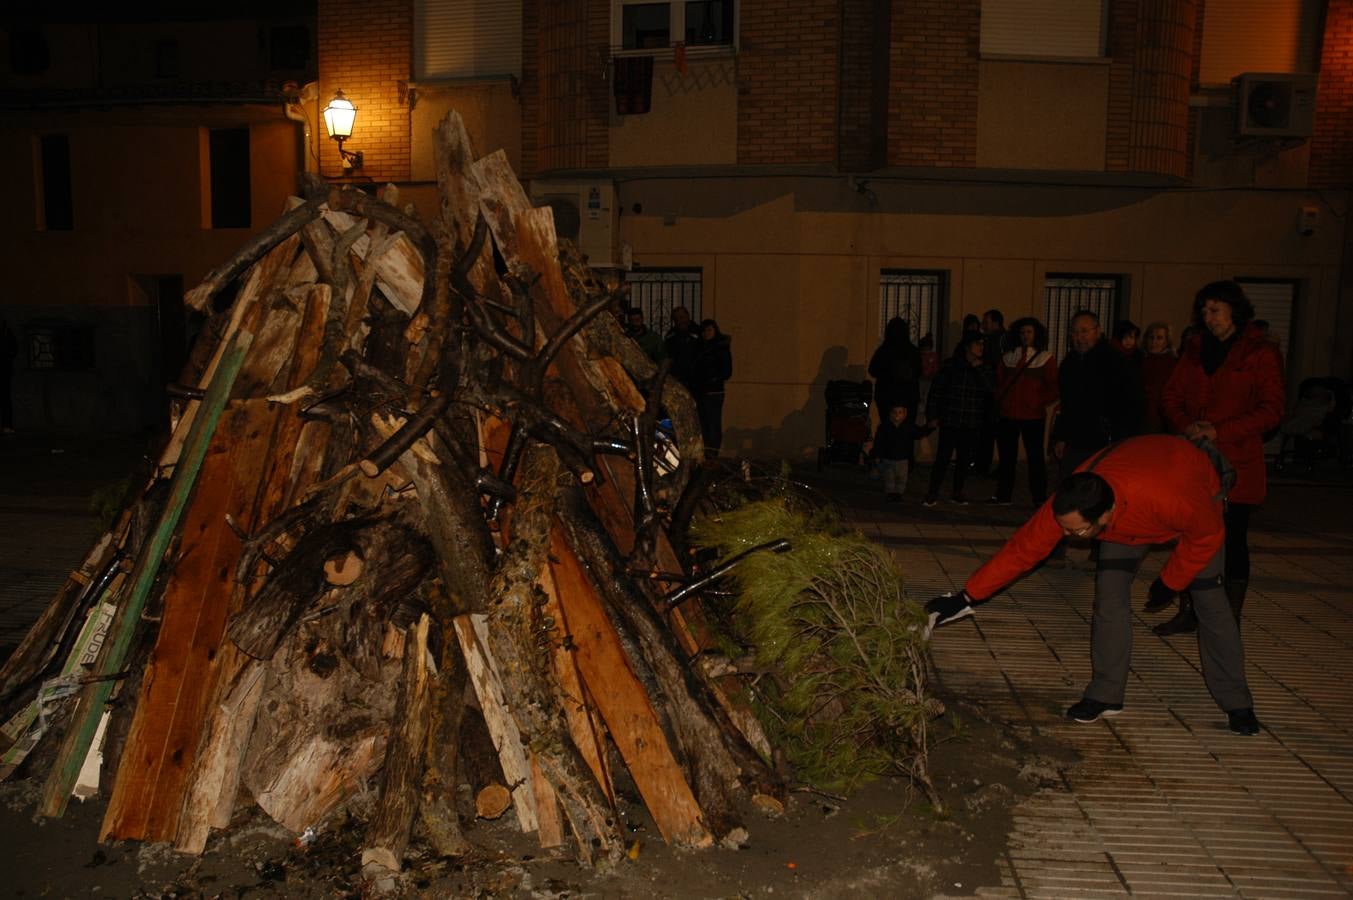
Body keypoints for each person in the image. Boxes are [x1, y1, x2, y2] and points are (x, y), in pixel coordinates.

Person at [924, 434, 1261, 736]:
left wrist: (1171, 580)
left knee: (1210, 603)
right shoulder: (1074, 501)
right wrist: (967, 596)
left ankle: (1237, 702)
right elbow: (1023, 549)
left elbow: (1206, 535)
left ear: (1105, 514)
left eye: (1076, 532)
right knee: (1109, 599)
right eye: (1065, 529)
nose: (1067, 536)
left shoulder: (1173, 499)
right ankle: (1106, 694)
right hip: (1130, 511)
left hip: (1189, 495)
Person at [1155, 281, 1285, 635]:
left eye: (1214, 310)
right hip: (1195, 459)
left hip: (1237, 462)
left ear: (1234, 310)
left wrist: (1219, 431)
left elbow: (1272, 410)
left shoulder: (1260, 353)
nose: (1208, 317)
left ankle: (1230, 618)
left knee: (1233, 540)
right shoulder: (1195, 349)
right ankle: (1189, 612)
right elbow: (1170, 396)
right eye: (1204, 311)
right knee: (1190, 535)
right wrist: (1187, 426)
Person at [991, 317, 1058, 506]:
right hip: (1009, 414)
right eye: (1022, 332)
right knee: (1007, 458)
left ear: (1036, 334)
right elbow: (999, 382)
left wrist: (1037, 401)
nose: (1025, 336)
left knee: (1035, 458)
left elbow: (1054, 388)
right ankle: (1004, 495)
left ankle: (1038, 496)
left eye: (1029, 332)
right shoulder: (1008, 357)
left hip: (1033, 416)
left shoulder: (1045, 358)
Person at [922, 333, 994, 507]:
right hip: (951, 419)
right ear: (967, 346)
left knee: (964, 459)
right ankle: (932, 492)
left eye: (982, 344)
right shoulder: (951, 366)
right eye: (977, 344)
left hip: (971, 421)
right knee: (943, 458)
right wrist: (932, 416)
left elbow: (990, 390)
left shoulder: (984, 368)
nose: (981, 348)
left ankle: (957, 492)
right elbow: (936, 392)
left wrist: (977, 369)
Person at [868, 404, 934, 502]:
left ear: (905, 414)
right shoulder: (884, 427)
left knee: (902, 479)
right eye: (894, 412)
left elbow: (920, 433)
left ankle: (898, 494)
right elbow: (878, 442)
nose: (897, 415)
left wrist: (929, 427)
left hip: (903, 460)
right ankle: (890, 494)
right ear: (890, 413)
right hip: (888, 459)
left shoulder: (909, 426)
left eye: (900, 412)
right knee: (889, 478)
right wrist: (877, 455)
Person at [868, 317, 923, 420]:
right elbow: (919, 372)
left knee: (888, 426)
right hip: (908, 397)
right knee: (907, 427)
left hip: (886, 397)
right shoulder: (913, 351)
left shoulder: (883, 351)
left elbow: (872, 370)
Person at [691, 318, 732, 458]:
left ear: (715, 331)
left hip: (714, 391)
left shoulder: (721, 348)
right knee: (704, 424)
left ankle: (713, 453)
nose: (706, 333)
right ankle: (707, 453)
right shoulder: (699, 348)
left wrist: (712, 379)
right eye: (704, 330)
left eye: (709, 330)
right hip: (701, 391)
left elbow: (727, 372)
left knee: (713, 424)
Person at [973, 309, 1007, 477]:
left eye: (986, 322)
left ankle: (985, 466)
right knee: (991, 431)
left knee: (991, 431)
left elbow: (995, 365)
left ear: (996, 323)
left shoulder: (999, 341)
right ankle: (985, 466)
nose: (983, 325)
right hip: (994, 392)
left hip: (995, 393)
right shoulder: (995, 340)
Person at [1140, 321, 1177, 433]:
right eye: (1151, 338)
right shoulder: (1140, 360)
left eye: (1159, 338)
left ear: (1166, 341)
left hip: (1162, 417)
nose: (1154, 342)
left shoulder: (1171, 363)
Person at [664, 305, 700, 392]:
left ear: (688, 316)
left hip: (697, 381)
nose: (680, 321)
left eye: (682, 317)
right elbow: (667, 357)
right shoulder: (671, 336)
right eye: (676, 319)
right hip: (677, 381)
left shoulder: (699, 332)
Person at [0, 320, 16, 434]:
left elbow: (14, 350)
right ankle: (7, 425)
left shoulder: (6, 332)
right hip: (5, 369)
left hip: (4, 369)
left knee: (5, 398)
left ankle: (7, 425)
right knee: (5, 399)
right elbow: (14, 350)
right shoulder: (6, 331)